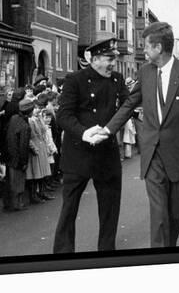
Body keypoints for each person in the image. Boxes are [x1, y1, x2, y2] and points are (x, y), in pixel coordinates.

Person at [100, 22, 179, 248]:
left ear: (158, 47)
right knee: (158, 217)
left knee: (175, 218)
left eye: (146, 46)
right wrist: (108, 130)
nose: (144, 50)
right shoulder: (145, 72)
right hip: (153, 156)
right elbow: (129, 104)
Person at [53, 37, 129, 253]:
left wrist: (109, 130)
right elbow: (63, 116)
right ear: (94, 59)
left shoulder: (117, 80)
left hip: (107, 154)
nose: (113, 63)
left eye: (114, 59)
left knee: (110, 209)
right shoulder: (75, 79)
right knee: (69, 209)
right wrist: (84, 132)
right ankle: (62, 255)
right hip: (79, 154)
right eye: (108, 58)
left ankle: (106, 253)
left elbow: (127, 107)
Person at [3, 98, 35, 212]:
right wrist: (24, 162)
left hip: (10, 155)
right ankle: (17, 204)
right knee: (19, 181)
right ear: (29, 111)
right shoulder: (25, 126)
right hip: (18, 158)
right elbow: (23, 146)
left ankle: (9, 203)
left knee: (11, 181)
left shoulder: (13, 118)